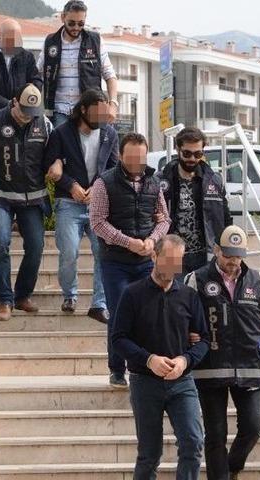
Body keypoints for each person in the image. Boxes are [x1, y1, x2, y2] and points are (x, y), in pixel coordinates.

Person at [112, 234, 209, 480]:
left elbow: (205, 340)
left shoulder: (189, 296)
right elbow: (118, 339)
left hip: (181, 381)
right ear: (154, 256)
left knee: (193, 443)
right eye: (168, 260)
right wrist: (148, 359)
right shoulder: (132, 294)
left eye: (177, 261)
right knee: (149, 453)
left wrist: (185, 360)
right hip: (145, 382)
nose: (172, 267)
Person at [185, 225, 260, 480]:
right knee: (215, 434)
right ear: (216, 251)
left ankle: (231, 468)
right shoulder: (197, 278)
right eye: (228, 256)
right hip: (209, 366)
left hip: (250, 366)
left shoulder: (257, 281)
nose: (233, 262)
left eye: (237, 257)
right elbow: (184, 317)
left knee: (253, 427)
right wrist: (188, 337)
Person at [0, 83, 59, 322]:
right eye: (24, 112)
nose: (28, 118)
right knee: (0, 243)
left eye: (32, 114)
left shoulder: (44, 124)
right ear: (15, 102)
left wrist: (58, 163)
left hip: (33, 197)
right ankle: (5, 300)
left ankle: (22, 295)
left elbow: (57, 152)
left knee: (36, 246)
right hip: (1, 196)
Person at [89, 133, 170, 387]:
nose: (137, 162)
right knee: (119, 312)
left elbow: (164, 219)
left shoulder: (154, 182)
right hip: (115, 261)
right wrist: (128, 242)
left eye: (141, 157)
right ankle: (116, 368)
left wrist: (152, 240)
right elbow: (98, 223)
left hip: (146, 260)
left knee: (149, 312)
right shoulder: (104, 183)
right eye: (131, 157)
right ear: (121, 156)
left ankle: (144, 365)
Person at [44, 89, 118, 324]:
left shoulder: (110, 134)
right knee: (69, 252)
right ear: (84, 110)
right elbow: (51, 165)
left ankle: (99, 304)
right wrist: (72, 185)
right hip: (68, 202)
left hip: (99, 204)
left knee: (103, 253)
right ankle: (70, 295)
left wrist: (98, 188)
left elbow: (114, 168)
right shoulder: (61, 133)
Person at [157, 127, 232, 276]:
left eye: (198, 154)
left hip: (205, 255)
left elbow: (225, 217)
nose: (192, 159)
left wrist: (227, 246)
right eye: (187, 153)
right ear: (177, 149)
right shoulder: (161, 180)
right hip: (172, 254)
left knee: (204, 298)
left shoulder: (214, 180)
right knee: (175, 298)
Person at [37, 0, 119, 127]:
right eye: (71, 23)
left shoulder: (95, 41)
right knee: (63, 146)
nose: (76, 28)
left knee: (91, 146)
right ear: (63, 17)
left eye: (81, 24)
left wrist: (113, 104)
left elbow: (110, 75)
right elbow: (38, 75)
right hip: (59, 111)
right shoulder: (50, 42)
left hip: (89, 110)